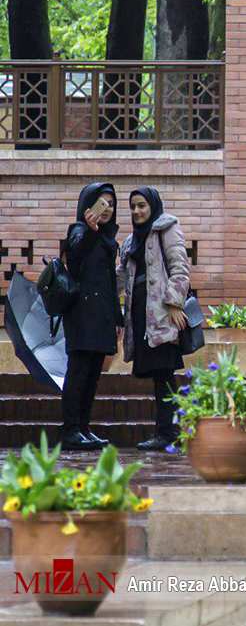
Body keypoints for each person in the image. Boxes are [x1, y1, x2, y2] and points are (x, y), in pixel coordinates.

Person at [117, 188, 190, 451]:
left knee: (163, 374)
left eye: (142, 205)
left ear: (153, 206)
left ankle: (168, 433)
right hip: (141, 316)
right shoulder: (130, 241)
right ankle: (166, 431)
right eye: (133, 207)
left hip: (162, 314)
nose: (137, 211)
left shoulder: (166, 228)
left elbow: (180, 268)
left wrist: (174, 303)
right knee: (158, 375)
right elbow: (121, 276)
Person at [62, 182, 123, 450]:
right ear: (88, 205)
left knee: (93, 375)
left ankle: (84, 428)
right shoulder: (78, 231)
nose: (107, 209)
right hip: (82, 314)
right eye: (101, 203)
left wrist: (118, 318)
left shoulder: (109, 239)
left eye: (111, 204)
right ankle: (70, 430)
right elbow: (75, 260)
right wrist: (90, 230)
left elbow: (110, 282)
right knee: (78, 373)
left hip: (103, 317)